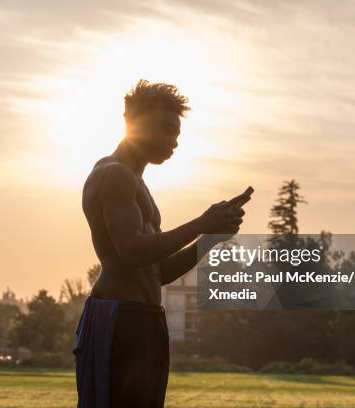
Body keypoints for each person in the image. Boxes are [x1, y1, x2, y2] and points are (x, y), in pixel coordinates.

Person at [74, 79, 247, 408]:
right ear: (132, 123)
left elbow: (158, 272)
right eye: (166, 130)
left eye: (177, 135)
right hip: (117, 318)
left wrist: (210, 237)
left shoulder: (137, 183)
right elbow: (130, 251)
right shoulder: (115, 175)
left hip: (144, 318)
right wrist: (200, 223)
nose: (173, 142)